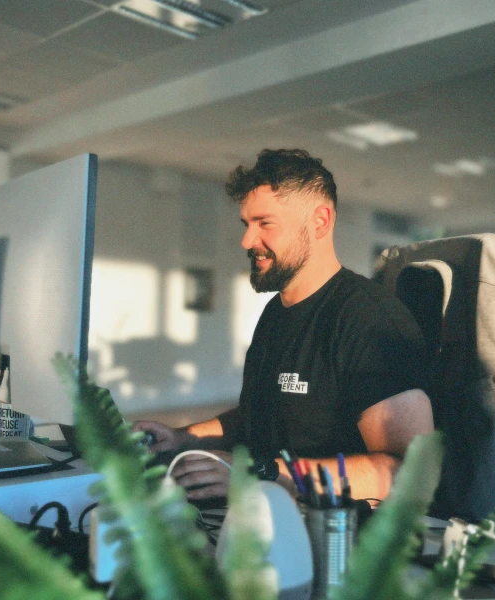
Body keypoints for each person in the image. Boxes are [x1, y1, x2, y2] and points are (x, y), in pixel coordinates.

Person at [133, 149, 434, 503]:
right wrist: (185, 438)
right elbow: (259, 417)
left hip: (337, 536)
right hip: (263, 517)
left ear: (320, 221)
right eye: (247, 224)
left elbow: (409, 473)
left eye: (265, 223)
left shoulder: (370, 319)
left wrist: (262, 473)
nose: (247, 241)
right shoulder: (276, 313)